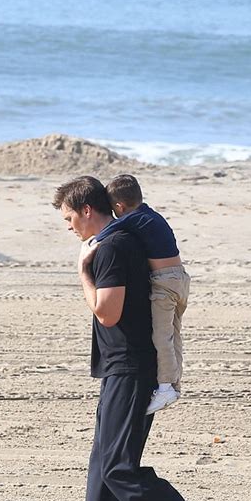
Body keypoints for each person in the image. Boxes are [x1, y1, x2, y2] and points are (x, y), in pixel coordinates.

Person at [52, 175, 231, 501]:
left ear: (87, 211)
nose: (68, 226)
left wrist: (83, 271)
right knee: (104, 466)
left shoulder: (111, 248)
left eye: (68, 217)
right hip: (122, 368)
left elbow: (106, 312)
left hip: (131, 370)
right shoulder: (116, 242)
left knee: (117, 468)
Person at [93, 174, 190, 415]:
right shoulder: (150, 215)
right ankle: (173, 383)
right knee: (173, 332)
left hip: (165, 283)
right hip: (179, 278)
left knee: (161, 335)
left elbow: (106, 233)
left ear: (119, 206)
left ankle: (166, 387)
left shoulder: (133, 219)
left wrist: (92, 247)